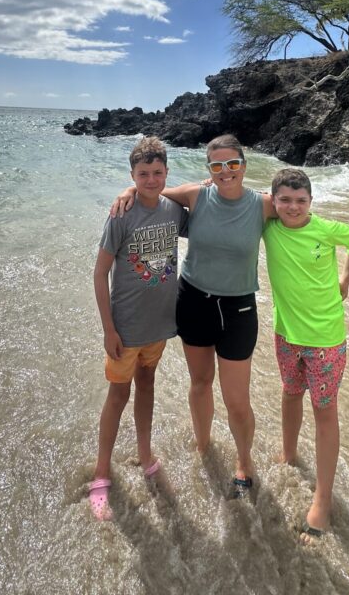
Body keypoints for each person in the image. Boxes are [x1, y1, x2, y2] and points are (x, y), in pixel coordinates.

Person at [113, 134, 275, 499]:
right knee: (200, 383)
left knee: (237, 400)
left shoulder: (263, 205)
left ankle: (244, 463)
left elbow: (298, 213)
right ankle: (203, 448)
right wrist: (126, 190)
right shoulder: (196, 196)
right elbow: (151, 190)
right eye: (217, 165)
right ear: (209, 170)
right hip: (194, 301)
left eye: (232, 164)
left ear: (244, 165)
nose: (225, 171)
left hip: (239, 309)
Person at [263, 167, 349, 543]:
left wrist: (345, 280)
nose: (293, 207)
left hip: (325, 339)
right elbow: (237, 200)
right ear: (273, 202)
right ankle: (288, 453)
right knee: (290, 394)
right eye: (285, 200)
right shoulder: (269, 227)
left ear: (311, 202)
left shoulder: (324, 229)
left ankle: (323, 498)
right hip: (285, 335)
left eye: (301, 201)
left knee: (325, 411)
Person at [88, 136, 189, 521]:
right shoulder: (121, 215)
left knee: (148, 384)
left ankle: (145, 455)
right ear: (132, 176)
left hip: (160, 326)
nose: (150, 180)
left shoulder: (173, 211)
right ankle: (101, 473)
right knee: (118, 396)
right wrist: (108, 330)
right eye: (142, 175)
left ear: (166, 174)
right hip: (126, 328)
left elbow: (203, 201)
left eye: (157, 173)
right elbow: (100, 274)